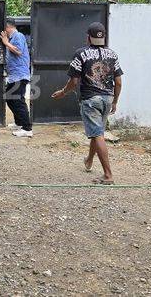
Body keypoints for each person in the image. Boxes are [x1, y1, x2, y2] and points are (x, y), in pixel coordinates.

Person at [51, 22, 123, 184]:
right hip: (107, 98)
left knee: (97, 134)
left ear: (88, 37)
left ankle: (108, 175)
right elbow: (118, 82)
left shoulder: (81, 54)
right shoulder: (113, 55)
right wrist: (115, 101)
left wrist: (63, 92)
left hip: (90, 99)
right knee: (96, 131)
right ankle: (89, 160)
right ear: (103, 36)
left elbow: (74, 81)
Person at [0, 19, 33, 137]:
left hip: (20, 75)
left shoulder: (18, 36)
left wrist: (6, 42)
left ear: (8, 27)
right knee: (9, 98)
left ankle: (27, 128)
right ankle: (19, 123)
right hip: (14, 76)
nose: (4, 32)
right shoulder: (12, 38)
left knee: (18, 101)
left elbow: (18, 51)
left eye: (4, 29)